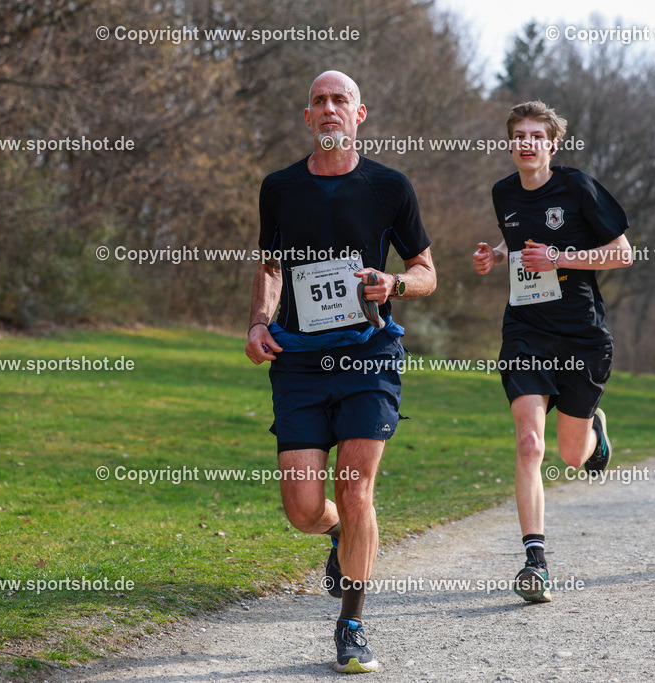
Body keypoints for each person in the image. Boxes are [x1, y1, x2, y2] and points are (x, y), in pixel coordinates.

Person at [245, 70, 436, 673]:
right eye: (319, 101)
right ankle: (336, 537)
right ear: (308, 118)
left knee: (356, 491)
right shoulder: (279, 188)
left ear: (360, 115)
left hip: (368, 356)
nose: (329, 109)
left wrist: (395, 284)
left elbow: (426, 270)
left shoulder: (389, 187)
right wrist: (257, 322)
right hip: (299, 360)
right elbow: (271, 266)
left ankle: (351, 624)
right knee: (305, 508)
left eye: (340, 100)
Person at [473, 101, 632, 603]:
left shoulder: (578, 187)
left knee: (569, 453)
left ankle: (594, 432)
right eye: (518, 135)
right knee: (529, 445)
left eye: (536, 136)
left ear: (552, 144)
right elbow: (515, 236)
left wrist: (561, 256)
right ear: (511, 142)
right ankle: (535, 561)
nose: (526, 143)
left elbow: (623, 253)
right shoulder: (503, 192)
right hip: (526, 329)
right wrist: (496, 254)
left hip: (580, 333)